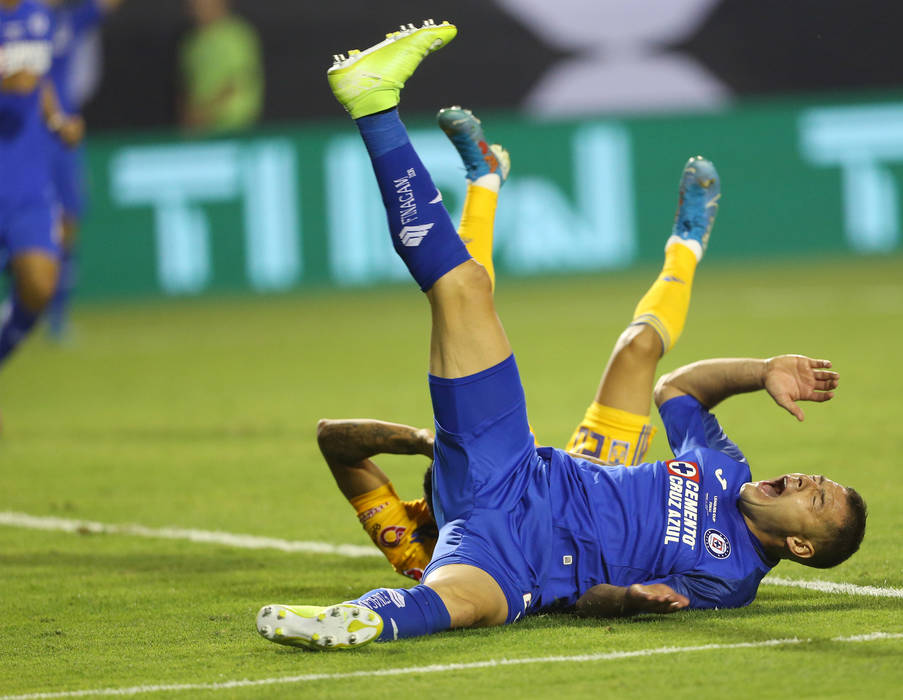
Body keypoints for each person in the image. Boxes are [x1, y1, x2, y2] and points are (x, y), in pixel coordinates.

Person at [256, 21, 867, 651]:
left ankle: (361, 619)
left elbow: (588, 601)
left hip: (517, 553)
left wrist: (629, 602)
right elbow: (678, 388)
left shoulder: (729, 579)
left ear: (799, 544)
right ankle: (380, 108)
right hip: (535, 474)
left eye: (814, 496)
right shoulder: (722, 466)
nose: (799, 478)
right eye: (811, 476)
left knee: (464, 603)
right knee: (494, 301)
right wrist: (761, 368)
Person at [317, 104, 718, 582]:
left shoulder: (415, 533)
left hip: (537, 473)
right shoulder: (431, 563)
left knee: (465, 301)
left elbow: (331, 439)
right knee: (639, 349)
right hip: (593, 491)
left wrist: (430, 443)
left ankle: (484, 182)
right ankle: (687, 244)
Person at [1, 0, 81, 374]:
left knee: (39, 284)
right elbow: (17, 79)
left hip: (26, 178)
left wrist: (58, 121)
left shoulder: (39, 15)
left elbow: (41, 77)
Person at [43, 0, 124, 339]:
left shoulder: (68, 21)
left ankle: (57, 318)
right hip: (19, 134)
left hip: (63, 134)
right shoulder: (12, 20)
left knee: (69, 220)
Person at [177, 0, 262, 134]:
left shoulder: (236, 35)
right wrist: (190, 118)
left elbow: (238, 82)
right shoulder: (190, 43)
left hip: (235, 130)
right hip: (198, 133)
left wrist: (205, 114)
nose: (198, 6)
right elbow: (186, 87)